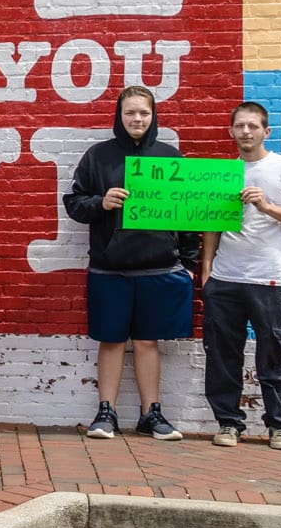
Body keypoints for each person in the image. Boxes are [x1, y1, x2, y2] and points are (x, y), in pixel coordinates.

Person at [65, 86, 197, 442]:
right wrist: (100, 202)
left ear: (153, 116)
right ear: (119, 116)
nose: (137, 119)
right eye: (130, 113)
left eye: (144, 113)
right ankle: (105, 412)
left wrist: (189, 262)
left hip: (158, 268)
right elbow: (73, 204)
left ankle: (150, 413)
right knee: (109, 341)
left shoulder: (170, 157)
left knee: (146, 342)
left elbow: (187, 217)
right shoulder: (98, 156)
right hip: (110, 268)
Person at [200, 101, 281, 450]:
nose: (246, 132)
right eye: (240, 126)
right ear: (231, 131)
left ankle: (279, 425)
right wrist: (206, 272)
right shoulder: (223, 174)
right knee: (222, 356)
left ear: (266, 131)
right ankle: (228, 423)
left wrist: (266, 206)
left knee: (273, 355)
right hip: (225, 279)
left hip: (269, 280)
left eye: (253, 126)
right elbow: (210, 228)